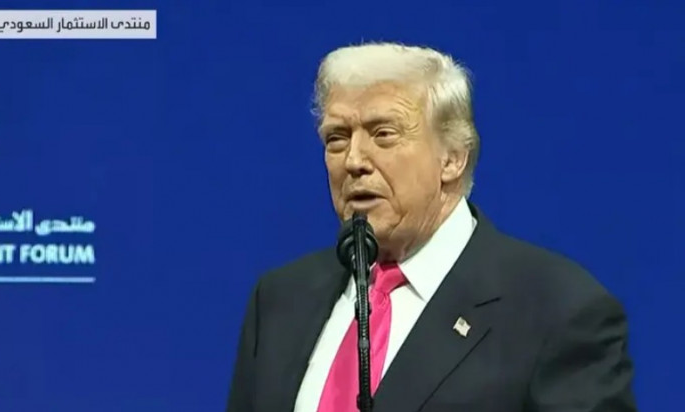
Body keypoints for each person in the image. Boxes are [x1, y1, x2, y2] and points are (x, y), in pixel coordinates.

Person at [225, 42, 637, 412]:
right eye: (337, 138)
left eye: (383, 134)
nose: (354, 160)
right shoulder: (280, 300)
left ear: (453, 158)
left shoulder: (557, 311)